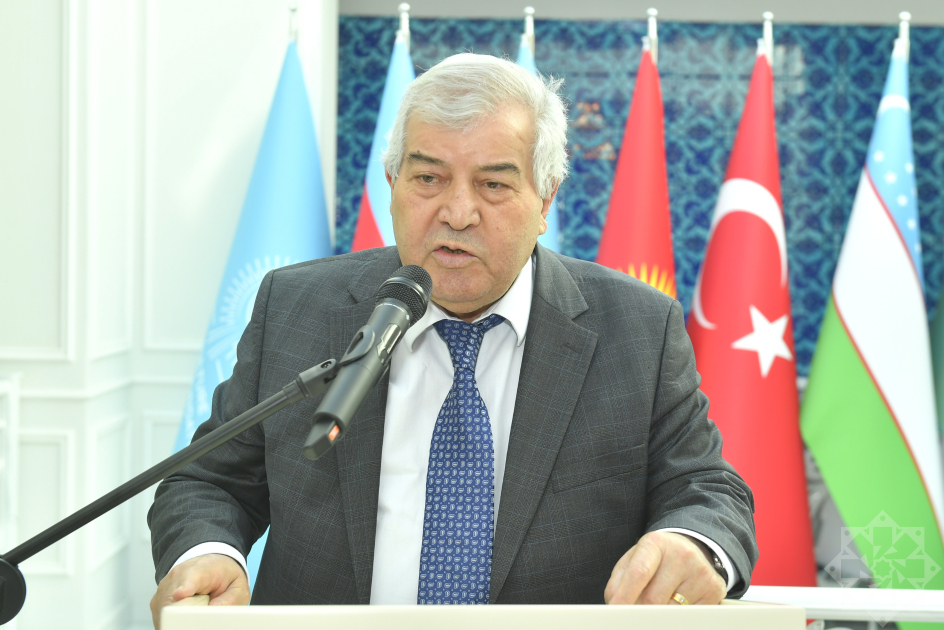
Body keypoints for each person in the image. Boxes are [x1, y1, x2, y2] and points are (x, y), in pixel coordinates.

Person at [148, 53, 757, 628]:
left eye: (493, 185)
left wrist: (692, 543)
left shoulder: (636, 329)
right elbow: (210, 481)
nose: (458, 212)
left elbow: (707, 488)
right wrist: (211, 552)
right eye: (428, 178)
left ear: (545, 199)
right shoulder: (297, 307)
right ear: (392, 182)